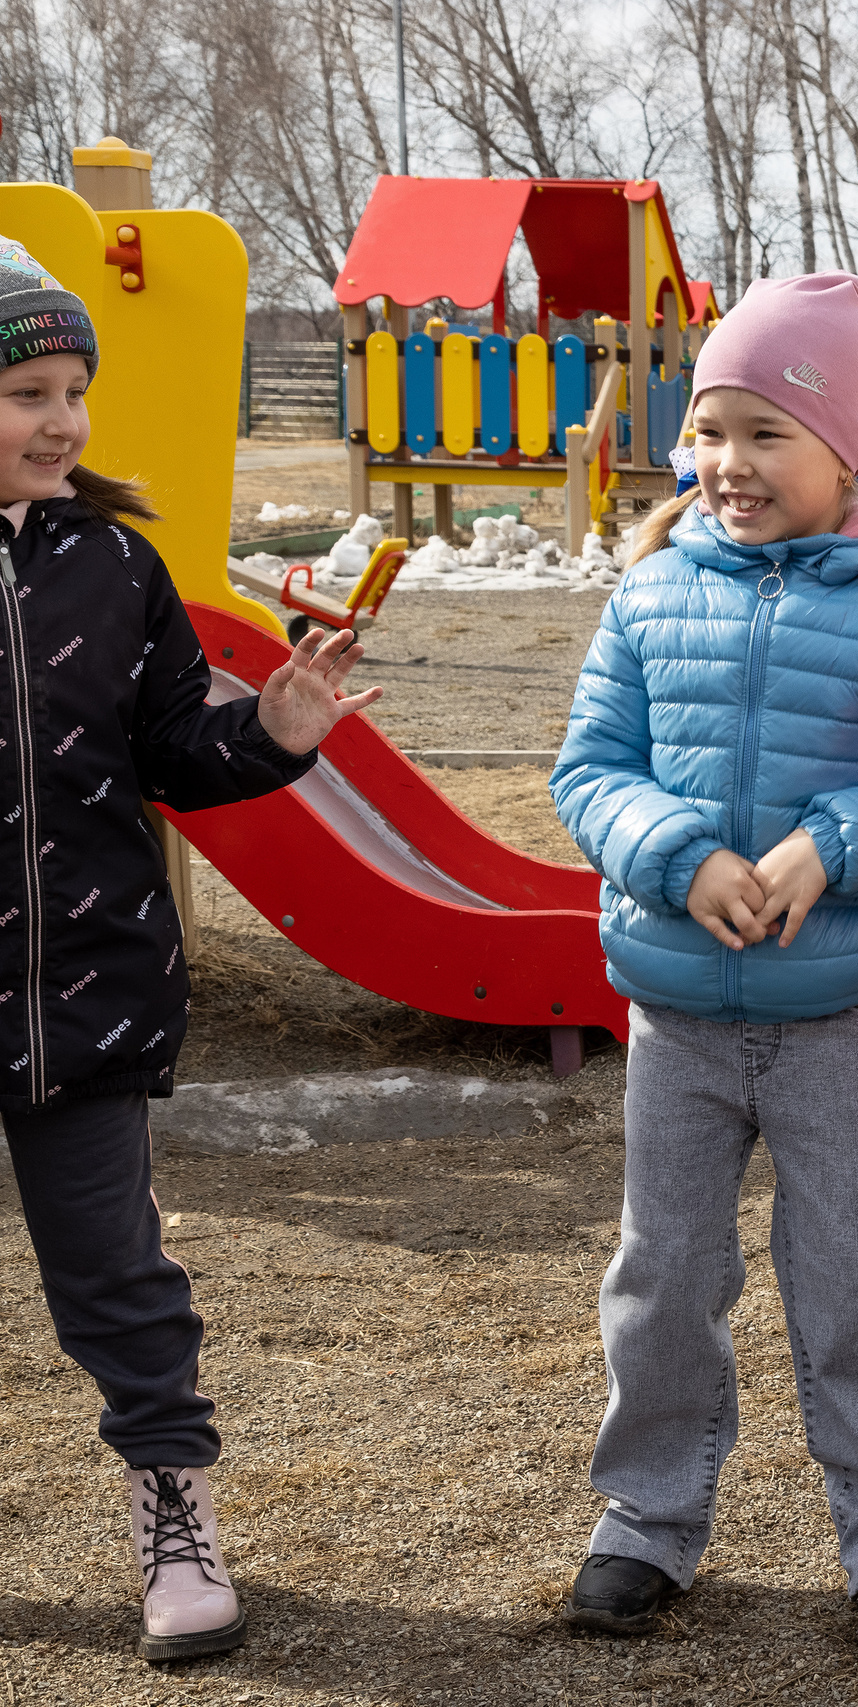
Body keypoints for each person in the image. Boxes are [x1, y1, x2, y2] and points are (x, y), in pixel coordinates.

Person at [550, 272, 858, 1646]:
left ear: (841, 451)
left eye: (765, 434)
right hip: (674, 1017)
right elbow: (589, 772)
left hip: (834, 1018)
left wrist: (835, 846)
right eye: (710, 431)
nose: (728, 466)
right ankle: (647, 1518)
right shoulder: (647, 597)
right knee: (663, 1276)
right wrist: (674, 854)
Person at [0, 235, 380, 1663]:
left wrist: (271, 735)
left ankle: (175, 1520)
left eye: (73, 390)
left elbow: (174, 752)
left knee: (117, 1279)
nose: (64, 421)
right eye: (29, 389)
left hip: (87, 994)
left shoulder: (114, 563)